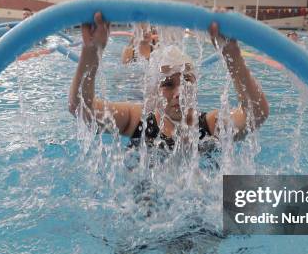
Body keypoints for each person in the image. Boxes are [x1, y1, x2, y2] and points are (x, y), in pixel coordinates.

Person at [69, 12, 269, 152]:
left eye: (187, 80)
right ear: (154, 91)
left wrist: (232, 56)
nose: (179, 92)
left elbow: (257, 114)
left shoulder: (209, 125)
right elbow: (80, 108)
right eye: (168, 84)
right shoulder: (137, 119)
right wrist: (90, 54)